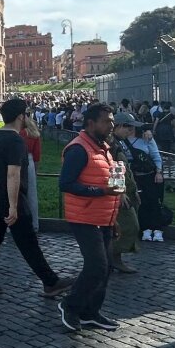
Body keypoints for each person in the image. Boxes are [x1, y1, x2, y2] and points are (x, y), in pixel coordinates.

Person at [0, 99, 74, 297]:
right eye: (26, 114)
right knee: (28, 242)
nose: (28, 117)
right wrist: (14, 207)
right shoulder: (15, 140)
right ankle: (51, 282)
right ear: (20, 116)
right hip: (9, 200)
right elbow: (13, 174)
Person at [57, 103, 125, 332]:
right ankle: (70, 304)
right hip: (84, 217)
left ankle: (90, 312)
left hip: (103, 217)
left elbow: (109, 184)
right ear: (91, 123)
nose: (111, 124)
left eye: (112, 120)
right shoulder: (78, 149)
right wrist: (101, 192)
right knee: (97, 266)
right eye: (107, 121)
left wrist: (113, 218)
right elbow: (66, 184)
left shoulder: (104, 147)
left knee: (105, 268)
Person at [117, 114, 166, 242]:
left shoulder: (146, 138)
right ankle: (144, 228)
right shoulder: (118, 142)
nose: (130, 130)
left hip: (149, 174)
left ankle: (157, 228)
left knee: (154, 201)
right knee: (140, 202)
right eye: (128, 127)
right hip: (133, 176)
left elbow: (155, 155)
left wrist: (159, 171)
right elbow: (116, 165)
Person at [108, 116, 142, 274]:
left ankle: (113, 259)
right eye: (128, 127)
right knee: (128, 225)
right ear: (118, 126)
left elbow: (124, 168)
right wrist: (119, 192)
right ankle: (115, 259)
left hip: (124, 190)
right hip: (118, 193)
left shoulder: (118, 142)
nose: (131, 131)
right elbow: (114, 168)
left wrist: (133, 190)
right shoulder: (112, 144)